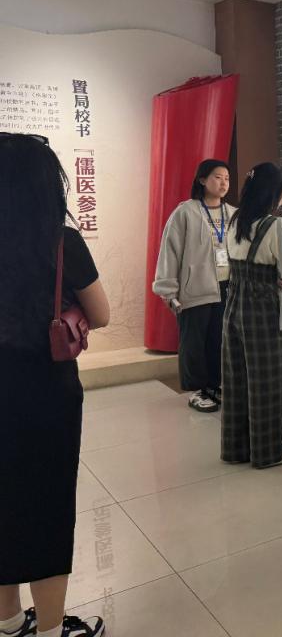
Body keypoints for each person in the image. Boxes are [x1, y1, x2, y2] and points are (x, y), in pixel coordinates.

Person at [0, 133, 111, 637]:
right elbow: (101, 315)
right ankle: (50, 629)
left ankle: (7, 620)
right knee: (47, 503)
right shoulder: (61, 241)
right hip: (46, 391)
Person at [220, 163, 282, 469]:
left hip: (234, 301)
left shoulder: (235, 220)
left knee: (236, 376)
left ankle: (236, 448)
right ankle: (268, 452)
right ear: (274, 193)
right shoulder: (275, 226)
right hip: (264, 304)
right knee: (269, 377)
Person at [153, 159, 234, 412]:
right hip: (194, 289)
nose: (223, 183)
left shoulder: (233, 214)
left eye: (227, 178)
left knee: (219, 341)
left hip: (226, 289)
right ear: (202, 180)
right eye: (217, 177)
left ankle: (215, 385)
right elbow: (170, 252)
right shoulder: (185, 212)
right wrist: (168, 290)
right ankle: (197, 391)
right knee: (194, 343)